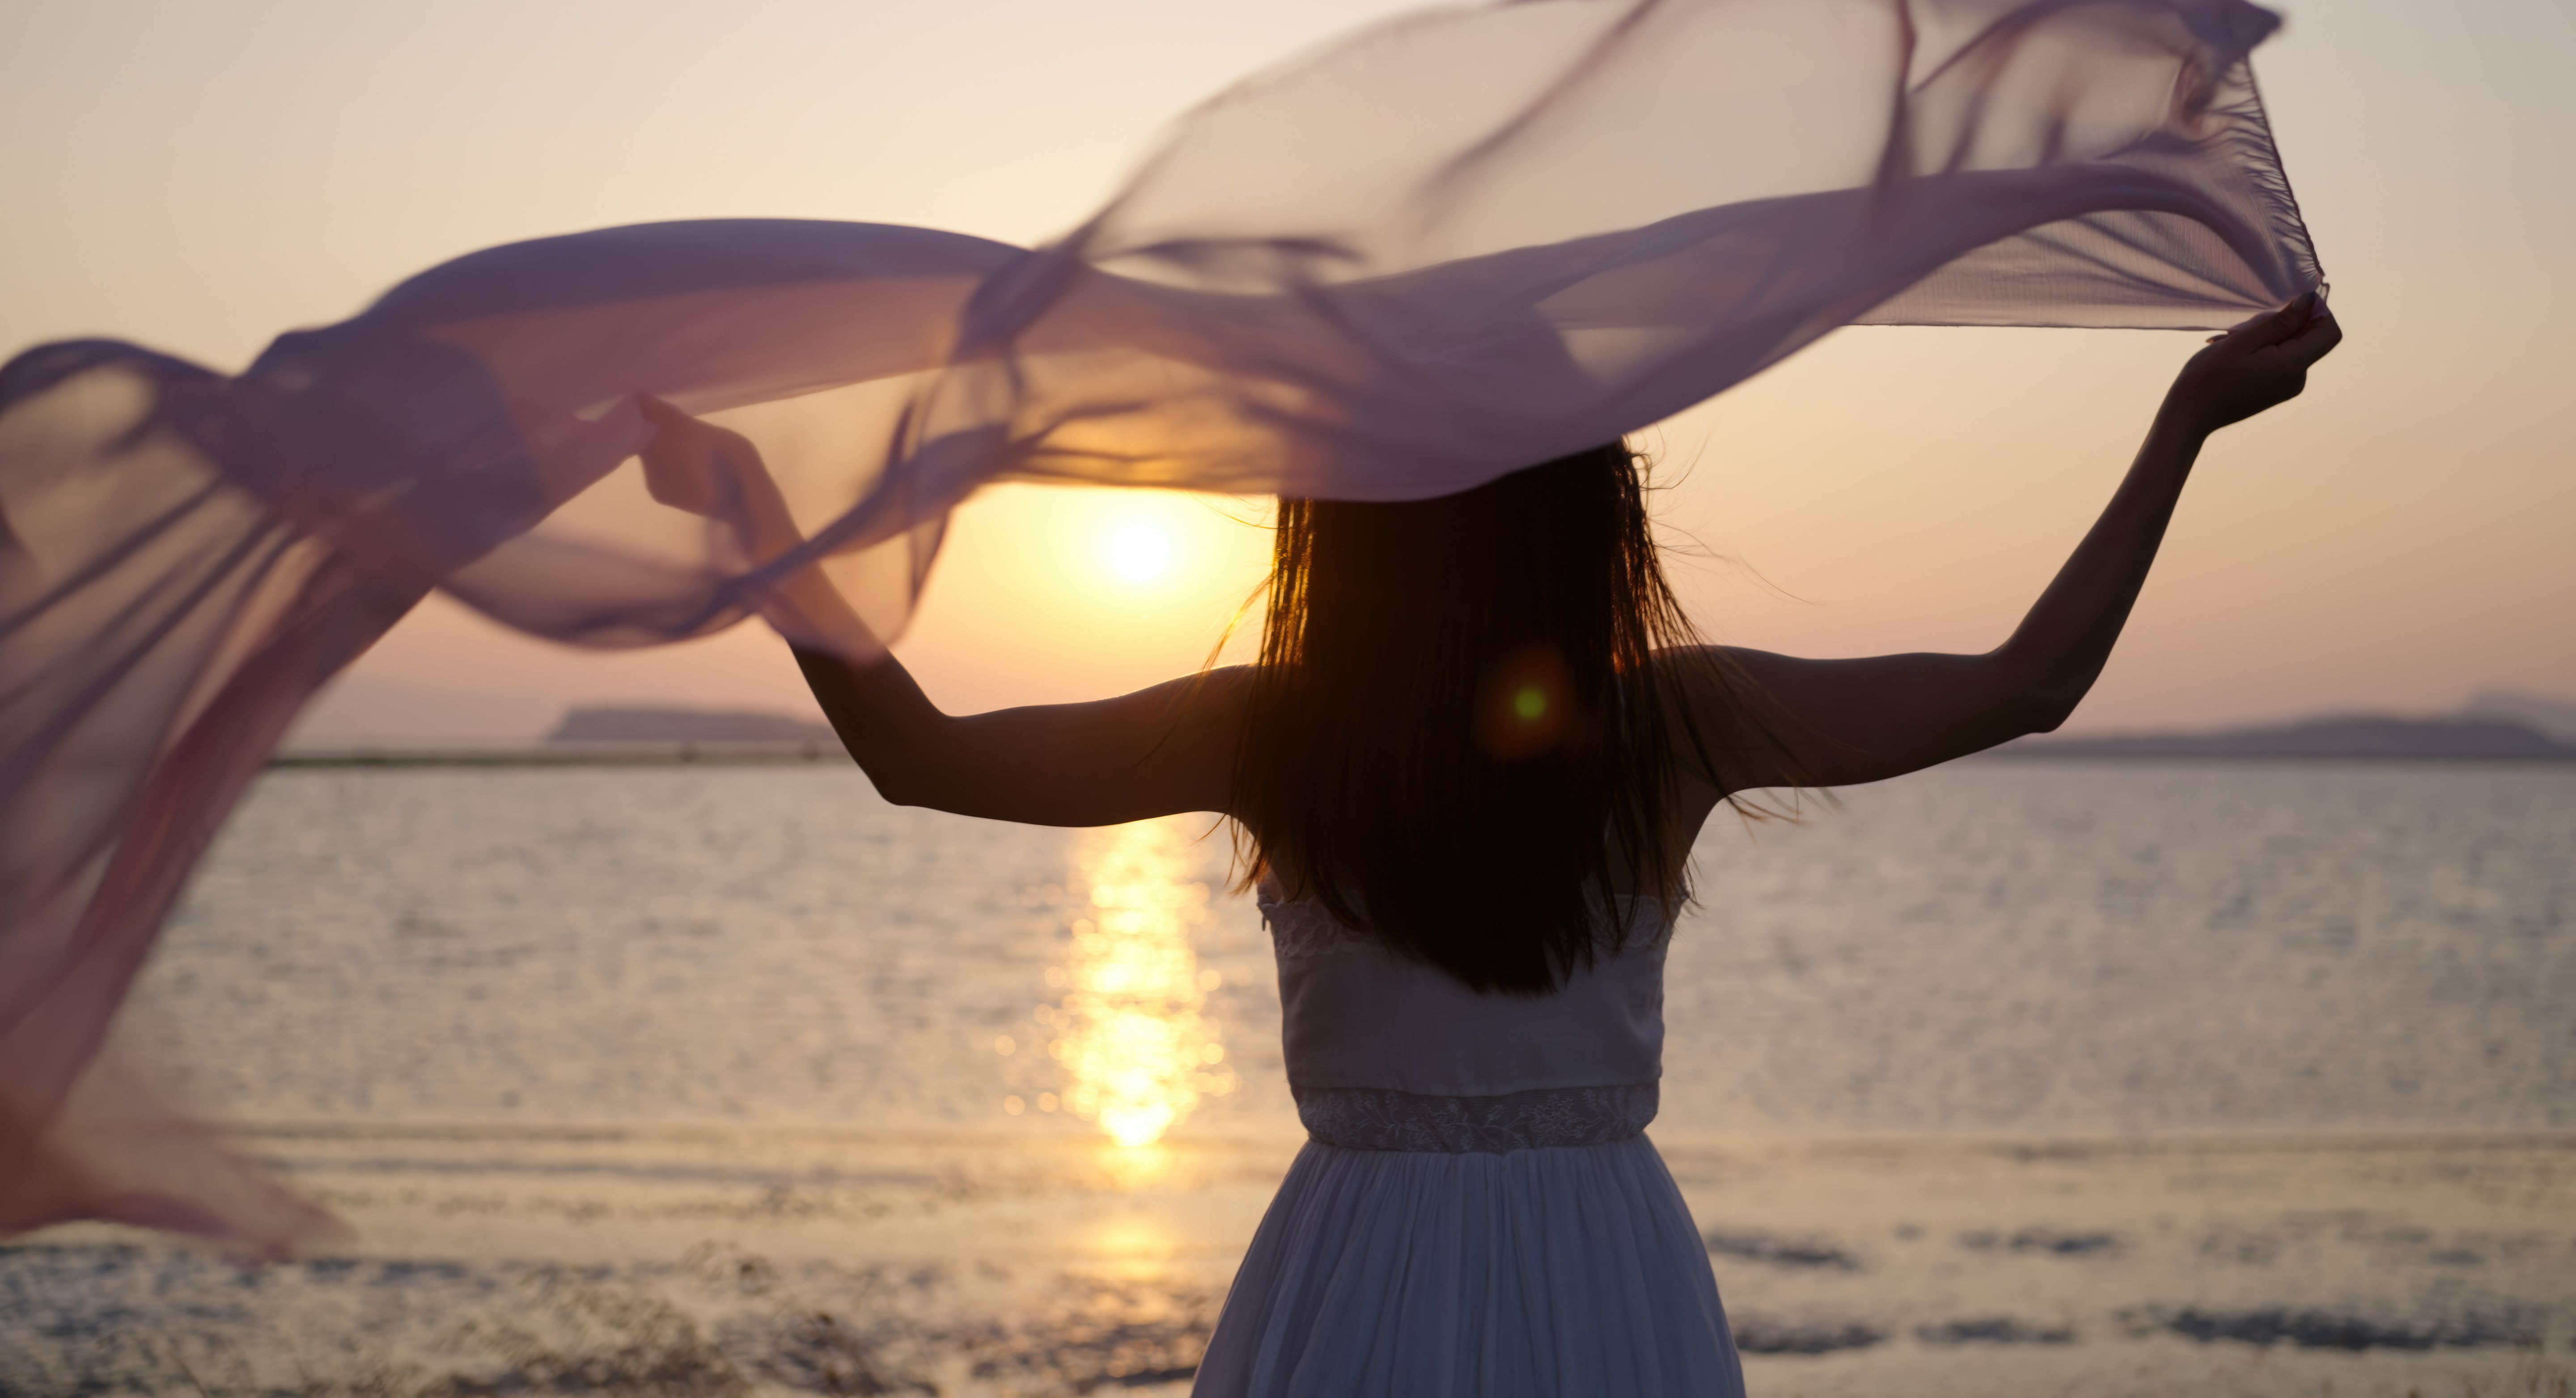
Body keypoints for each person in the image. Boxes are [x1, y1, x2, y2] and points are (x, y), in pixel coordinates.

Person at [635, 291, 2337, 1396]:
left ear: (1345, 525)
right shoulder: (1671, 720)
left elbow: (920, 757)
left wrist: (765, 530)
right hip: (1607, 1263)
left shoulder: (1274, 728)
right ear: (1590, 510)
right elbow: (2025, 686)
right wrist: (2181, 421)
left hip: (1356, 1262)